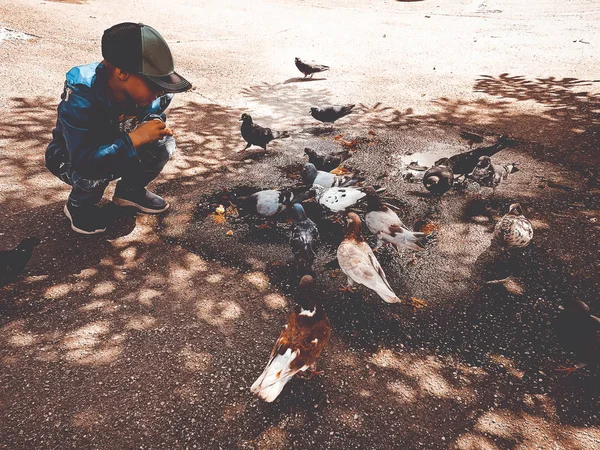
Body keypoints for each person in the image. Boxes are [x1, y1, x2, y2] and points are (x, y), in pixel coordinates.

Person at [45, 22, 191, 235]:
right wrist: (134, 139)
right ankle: (79, 205)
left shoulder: (153, 95)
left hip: (118, 144)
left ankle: (129, 192)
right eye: (155, 84)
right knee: (94, 171)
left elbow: (154, 118)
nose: (162, 92)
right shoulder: (82, 95)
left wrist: (149, 131)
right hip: (74, 157)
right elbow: (85, 159)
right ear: (122, 72)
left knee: (163, 143)